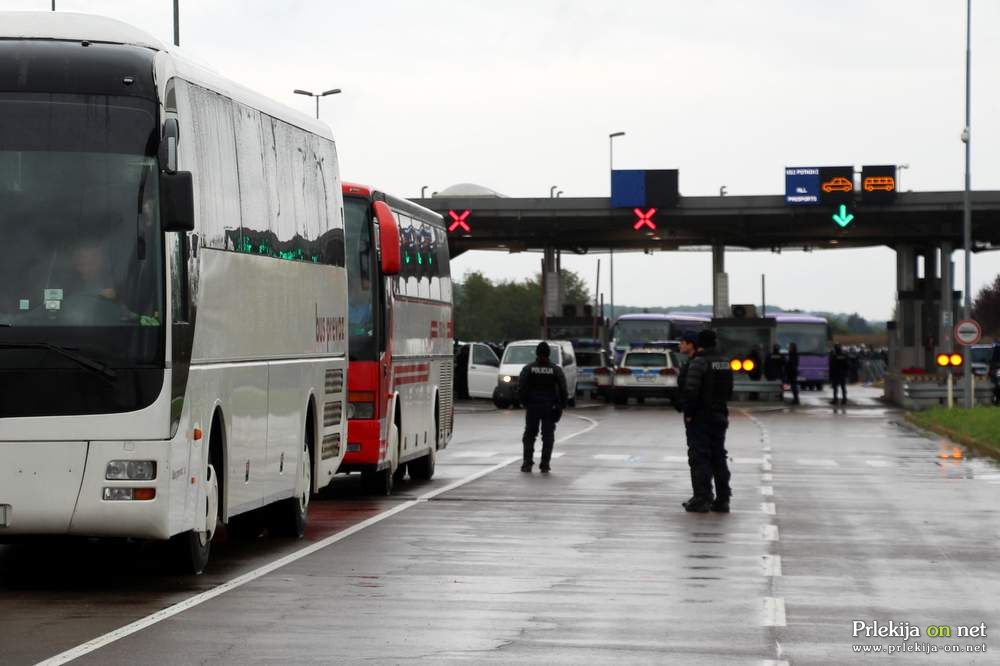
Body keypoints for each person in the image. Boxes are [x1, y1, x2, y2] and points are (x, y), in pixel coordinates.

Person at [679, 329, 734, 513]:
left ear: (699, 344)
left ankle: (702, 498)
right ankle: (723, 499)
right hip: (720, 413)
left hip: (701, 416)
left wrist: (688, 412)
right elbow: (729, 390)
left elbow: (691, 390)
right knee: (719, 456)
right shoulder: (725, 362)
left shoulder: (699, 362)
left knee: (699, 456)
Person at [517, 341, 568, 473]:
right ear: (549, 354)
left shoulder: (528, 368)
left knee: (529, 435)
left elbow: (521, 387)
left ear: (537, 353)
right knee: (548, 436)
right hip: (549, 408)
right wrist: (562, 406)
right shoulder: (555, 370)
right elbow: (563, 389)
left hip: (533, 407)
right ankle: (545, 464)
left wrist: (524, 403)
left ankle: (527, 463)